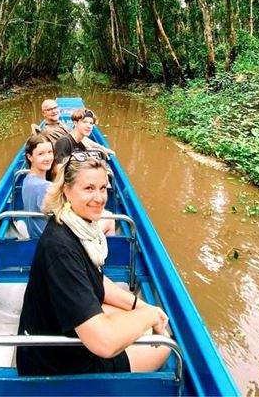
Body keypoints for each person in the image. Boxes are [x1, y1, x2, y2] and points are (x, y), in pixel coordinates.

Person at [16, 152, 171, 376]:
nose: (99, 198)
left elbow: (96, 280)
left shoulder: (75, 226)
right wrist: (152, 316)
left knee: (137, 318)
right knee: (165, 346)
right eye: (88, 188)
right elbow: (105, 344)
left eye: (103, 188)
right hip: (55, 364)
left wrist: (141, 306)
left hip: (57, 335)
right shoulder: (61, 247)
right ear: (67, 191)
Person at [38, 99, 115, 157]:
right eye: (50, 110)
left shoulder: (59, 123)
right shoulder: (48, 132)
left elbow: (78, 137)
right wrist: (95, 150)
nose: (54, 111)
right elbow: (63, 153)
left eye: (55, 108)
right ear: (43, 113)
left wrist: (101, 147)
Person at [22, 133, 54, 237]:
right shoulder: (44, 186)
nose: (48, 158)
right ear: (30, 157)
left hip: (35, 235)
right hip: (47, 239)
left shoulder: (27, 179)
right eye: (41, 154)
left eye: (50, 152)